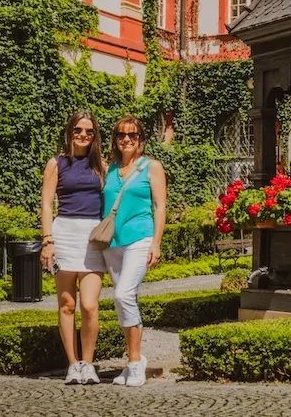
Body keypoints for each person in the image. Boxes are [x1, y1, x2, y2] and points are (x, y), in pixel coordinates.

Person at [40, 110, 107, 385]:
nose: (83, 135)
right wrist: (48, 241)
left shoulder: (101, 165)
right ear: (70, 132)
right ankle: (72, 364)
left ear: (95, 136)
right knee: (67, 304)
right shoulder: (56, 164)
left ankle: (88, 364)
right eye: (78, 130)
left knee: (90, 306)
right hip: (64, 233)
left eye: (89, 132)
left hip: (92, 237)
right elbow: (46, 204)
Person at [102, 115, 167, 387]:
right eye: (121, 135)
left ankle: (135, 363)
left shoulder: (151, 167)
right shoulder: (110, 169)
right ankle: (133, 361)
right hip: (111, 244)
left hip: (140, 238)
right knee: (123, 302)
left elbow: (160, 207)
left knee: (123, 294)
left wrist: (156, 243)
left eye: (132, 135)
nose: (126, 139)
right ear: (115, 140)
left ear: (141, 139)